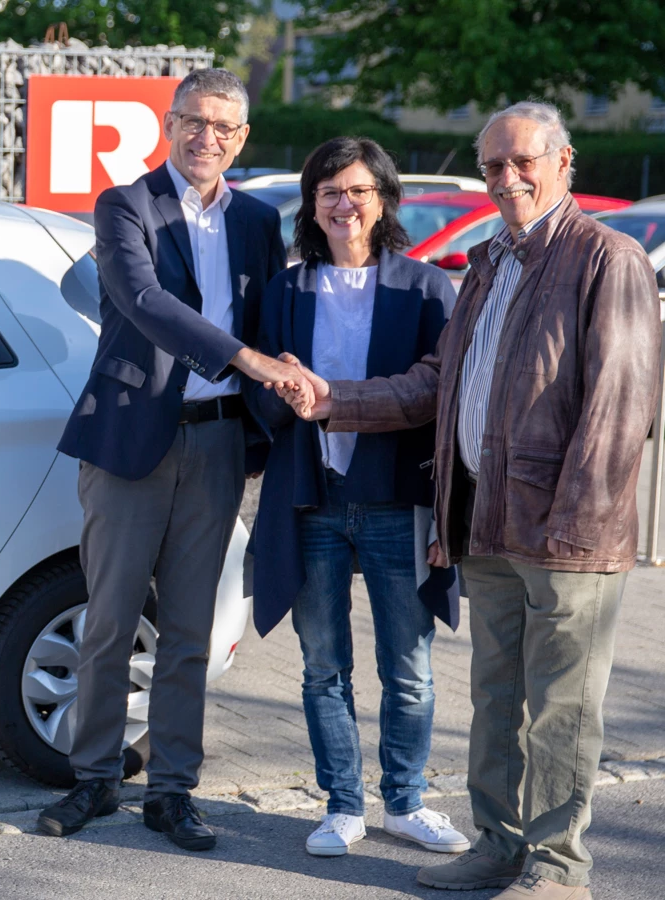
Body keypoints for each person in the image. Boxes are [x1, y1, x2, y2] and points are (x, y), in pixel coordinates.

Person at [280, 102, 659, 899]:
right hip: (486, 521)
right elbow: (435, 387)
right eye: (492, 166)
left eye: (522, 161)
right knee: (496, 700)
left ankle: (558, 870)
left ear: (564, 162)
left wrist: (577, 530)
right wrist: (333, 402)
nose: (506, 177)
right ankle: (497, 843)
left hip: (566, 536)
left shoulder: (606, 258)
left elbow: (621, 406)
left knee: (561, 710)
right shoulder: (489, 262)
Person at [46, 68, 306, 850]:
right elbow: (144, 302)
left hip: (219, 440)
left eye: (224, 128)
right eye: (194, 121)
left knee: (190, 629)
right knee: (111, 622)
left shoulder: (259, 221)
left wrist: (271, 410)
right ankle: (93, 777)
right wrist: (248, 360)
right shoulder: (125, 205)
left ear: (242, 139)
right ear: (169, 122)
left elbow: (274, 311)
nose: (207, 138)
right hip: (131, 437)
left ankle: (172, 790)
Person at [244, 136, 468, 859]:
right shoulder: (286, 290)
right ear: (312, 206)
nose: (344, 205)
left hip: (398, 498)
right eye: (329, 192)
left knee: (409, 667)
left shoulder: (427, 289)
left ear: (384, 200)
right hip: (312, 501)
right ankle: (342, 803)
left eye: (358, 191)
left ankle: (404, 803)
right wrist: (279, 388)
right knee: (322, 664)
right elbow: (260, 401)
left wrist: (450, 516)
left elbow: (446, 404)